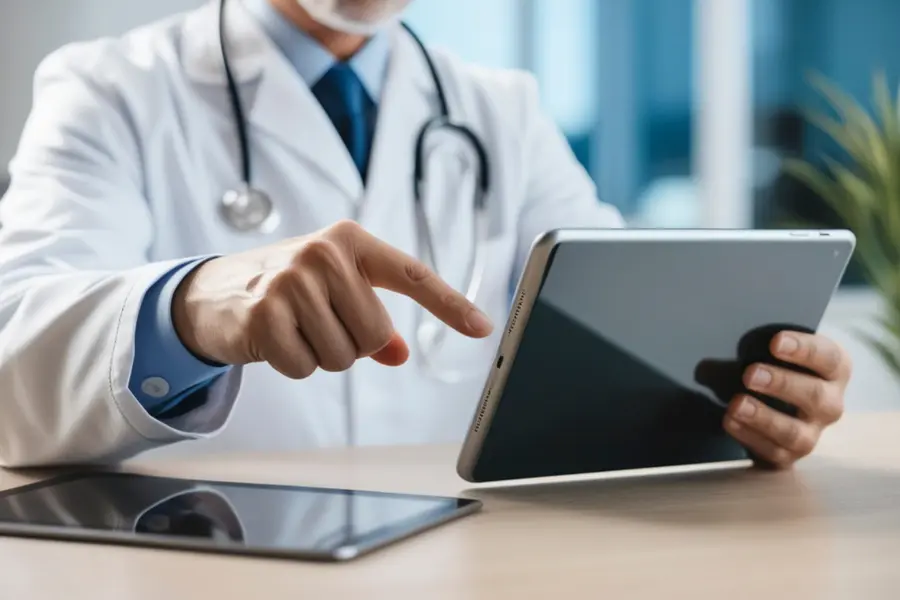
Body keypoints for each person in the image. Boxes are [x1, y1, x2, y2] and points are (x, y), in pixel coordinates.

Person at [0, 0, 851, 468]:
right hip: (212, 565)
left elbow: (625, 319)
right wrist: (188, 311)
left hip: (463, 563)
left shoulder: (500, 110)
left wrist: (754, 395)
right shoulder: (110, 88)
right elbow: (13, 366)